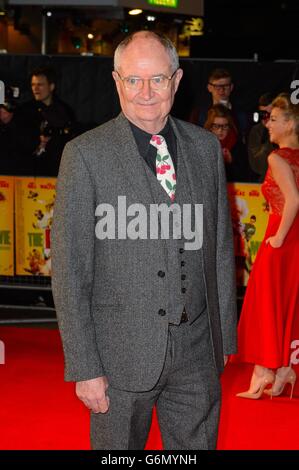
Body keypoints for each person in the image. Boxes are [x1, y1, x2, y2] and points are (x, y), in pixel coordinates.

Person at [51, 31, 237, 450]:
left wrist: (222, 337)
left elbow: (221, 248)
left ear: (177, 79)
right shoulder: (85, 155)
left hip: (197, 354)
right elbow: (69, 269)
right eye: (134, 80)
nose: (146, 92)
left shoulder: (206, 148)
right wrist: (84, 365)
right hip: (119, 356)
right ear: (117, 81)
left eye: (157, 79)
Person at [235, 93, 299, 399]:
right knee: (286, 304)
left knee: (265, 302)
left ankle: (263, 372)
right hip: (293, 238)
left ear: (291, 123)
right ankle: (284, 369)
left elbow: (294, 200)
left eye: (273, 119)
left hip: (282, 236)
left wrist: (279, 238)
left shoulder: (278, 157)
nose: (267, 125)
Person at [17, 66, 76, 176]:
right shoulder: (24, 111)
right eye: (33, 85)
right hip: (29, 171)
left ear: (51, 86)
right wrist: (37, 142)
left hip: (57, 170)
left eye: (40, 84)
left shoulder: (64, 111)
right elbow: (18, 139)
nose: (35, 88)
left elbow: (71, 138)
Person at [204, 104, 248, 182]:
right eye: (216, 126)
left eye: (224, 126)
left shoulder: (238, 145)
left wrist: (230, 161)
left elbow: (245, 177)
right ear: (210, 127)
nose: (220, 130)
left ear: (230, 127)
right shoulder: (202, 145)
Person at [247, 92, 276, 182]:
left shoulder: (287, 129)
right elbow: (257, 166)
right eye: (263, 114)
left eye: (270, 114)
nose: (266, 118)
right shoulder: (256, 131)